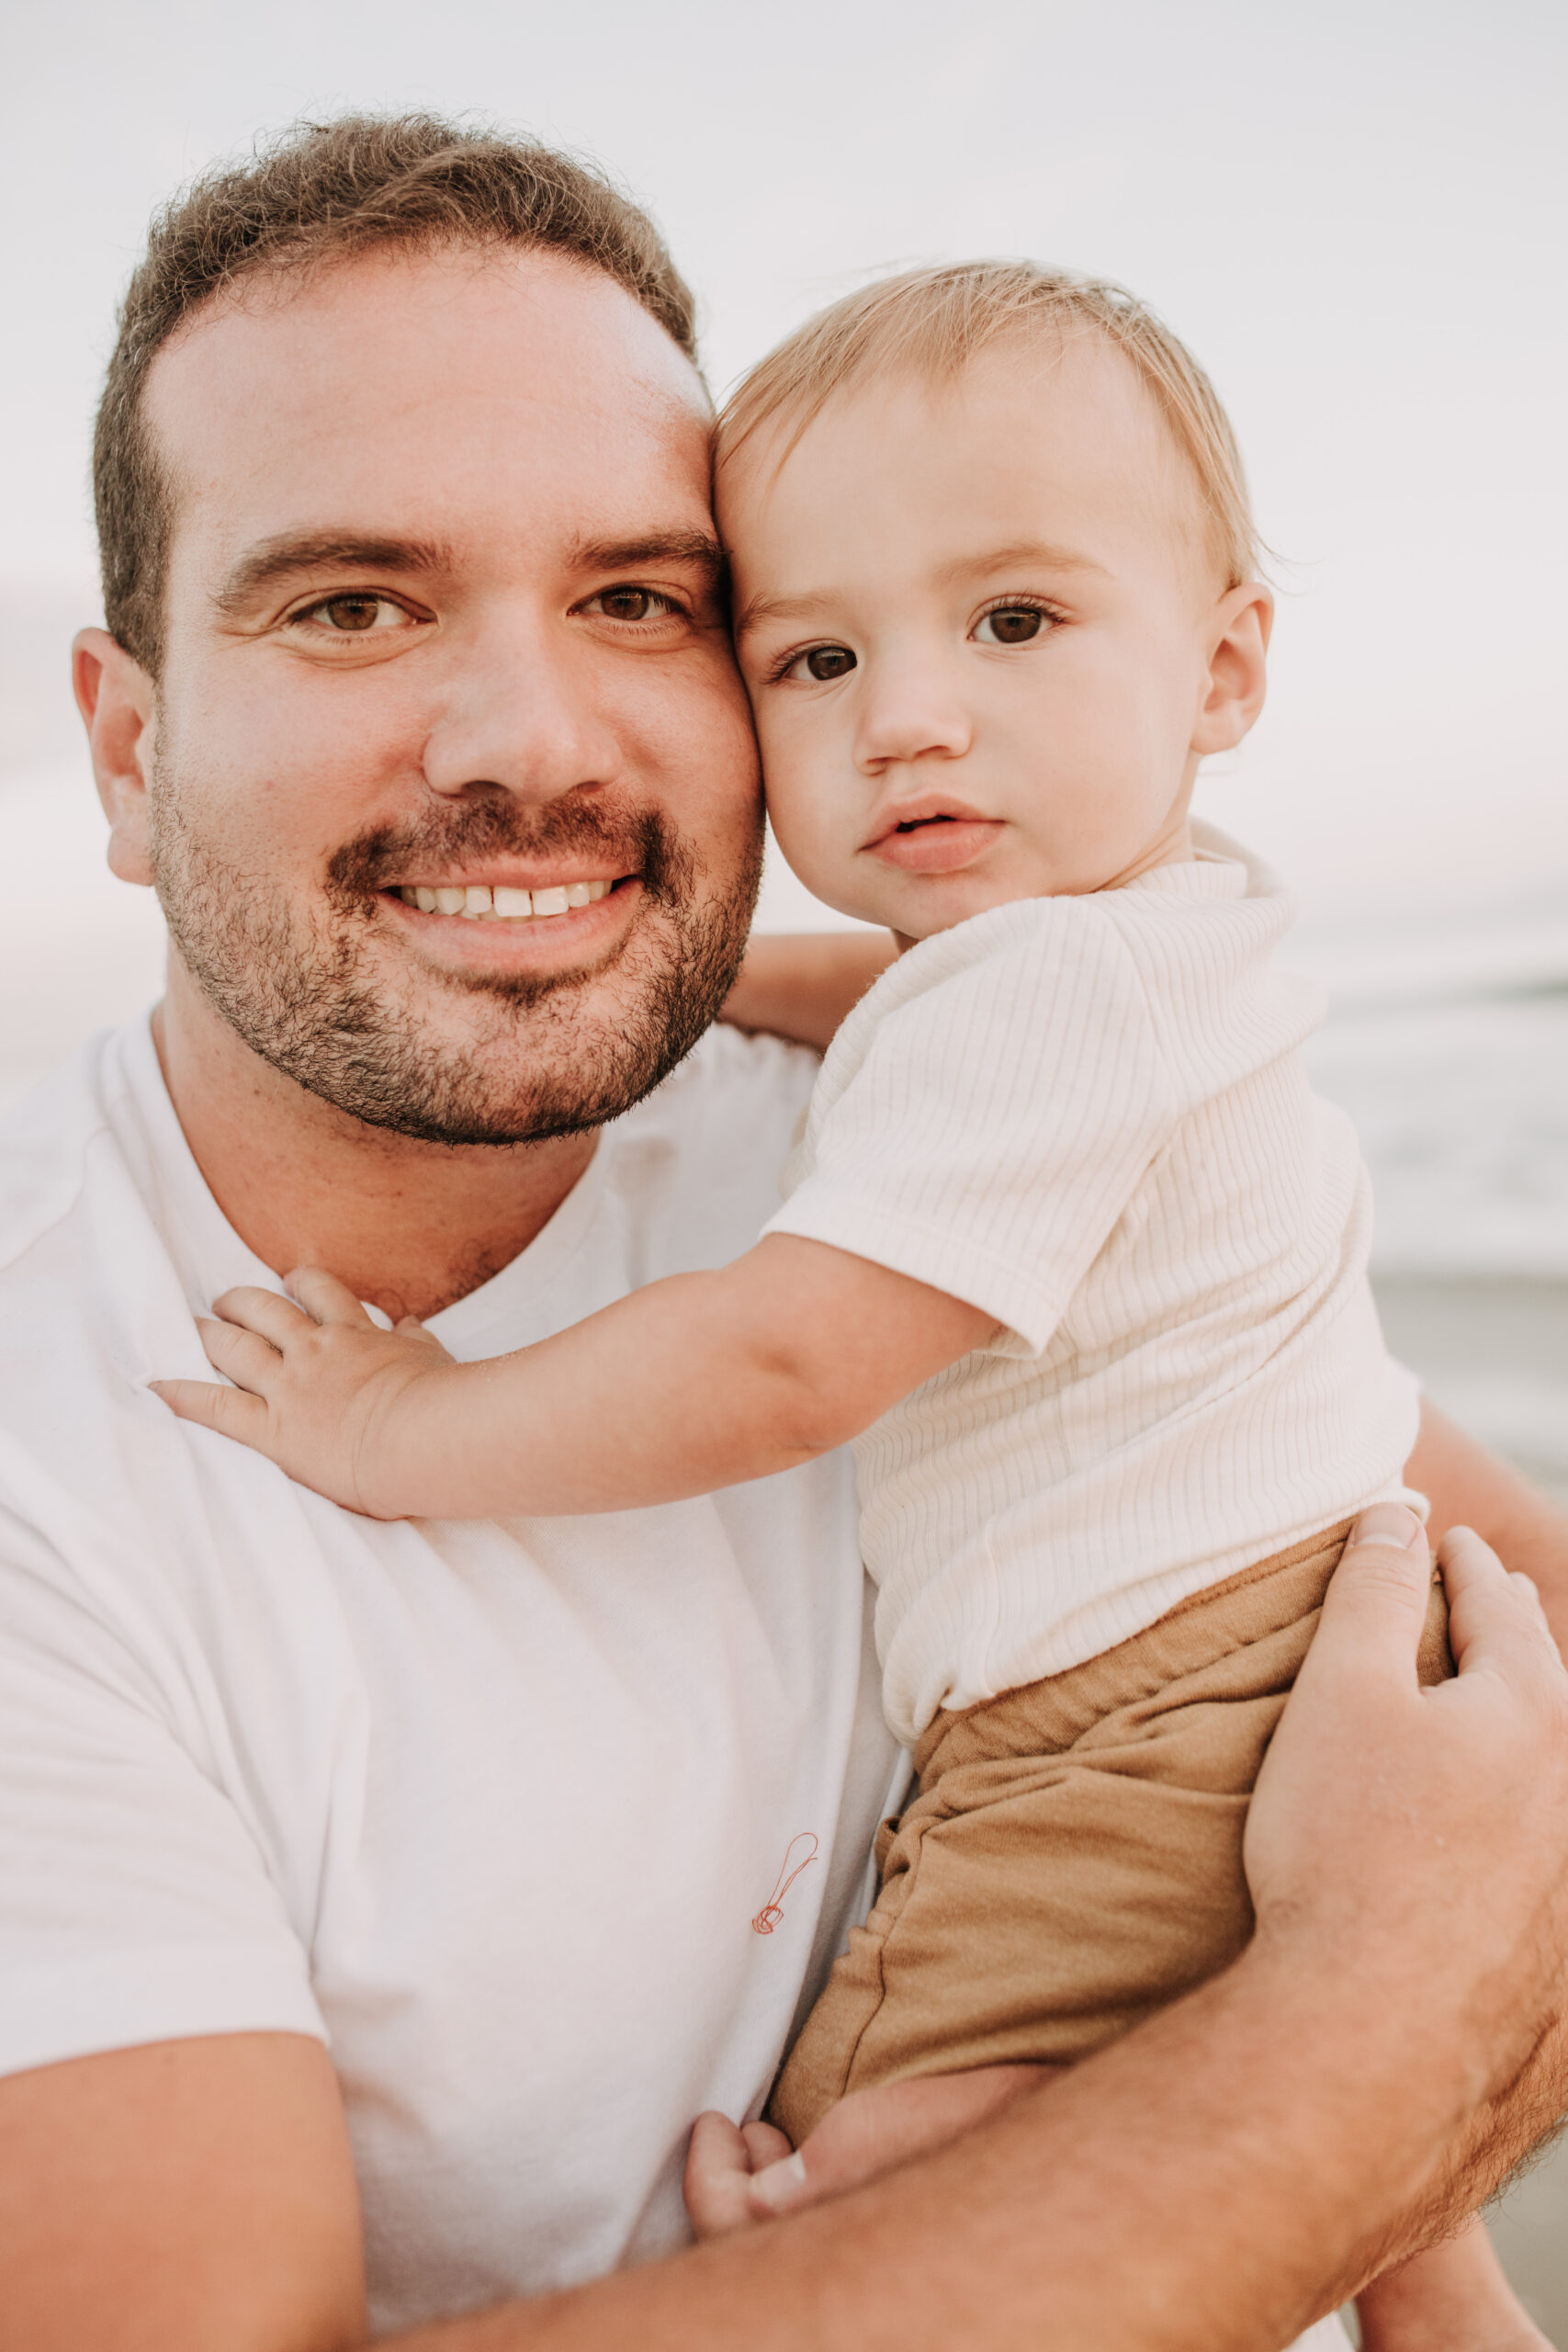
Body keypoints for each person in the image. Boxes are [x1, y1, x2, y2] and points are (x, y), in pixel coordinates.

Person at [2, 113, 1567, 2352]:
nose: (528, 737)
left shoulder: (888, 1115)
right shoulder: (48, 1448)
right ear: (128, 747)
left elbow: (1485, 1623)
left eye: (641, 598)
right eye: (353, 601)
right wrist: (1393, 2019)